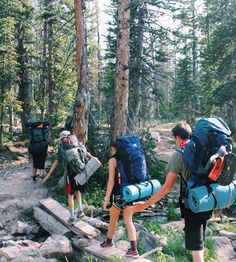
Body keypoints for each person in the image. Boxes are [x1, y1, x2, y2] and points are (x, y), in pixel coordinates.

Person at [130, 121, 212, 262]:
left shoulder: (179, 155)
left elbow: (167, 188)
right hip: (208, 200)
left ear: (178, 138)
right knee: (199, 245)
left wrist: (144, 205)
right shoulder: (202, 149)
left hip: (193, 205)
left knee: (196, 251)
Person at [43, 130, 92, 223]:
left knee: (70, 194)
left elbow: (56, 162)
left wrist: (48, 175)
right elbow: (86, 153)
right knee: (78, 190)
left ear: (62, 138)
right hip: (81, 171)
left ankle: (72, 217)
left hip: (70, 174)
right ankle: (80, 211)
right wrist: (92, 158)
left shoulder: (63, 147)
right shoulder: (77, 144)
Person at [100, 141, 139, 258]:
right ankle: (134, 249)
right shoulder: (130, 158)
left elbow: (111, 181)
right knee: (128, 220)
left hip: (118, 195)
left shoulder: (113, 160)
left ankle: (108, 242)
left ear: (114, 148)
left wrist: (106, 199)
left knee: (113, 218)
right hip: (131, 193)